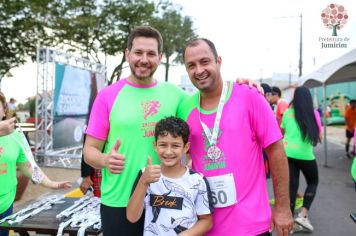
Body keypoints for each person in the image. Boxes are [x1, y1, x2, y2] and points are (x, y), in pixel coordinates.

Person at [178, 38, 293, 236]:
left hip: (250, 226)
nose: (199, 70)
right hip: (203, 226)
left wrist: (283, 207)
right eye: (191, 65)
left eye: (205, 62)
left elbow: (275, 150)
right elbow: (187, 155)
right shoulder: (184, 108)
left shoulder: (249, 96)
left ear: (218, 61)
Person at [83, 26, 188, 236]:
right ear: (127, 54)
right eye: (138, 52)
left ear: (160, 57)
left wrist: (244, 86)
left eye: (151, 54)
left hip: (165, 199)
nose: (144, 59)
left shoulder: (176, 95)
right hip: (118, 201)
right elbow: (89, 151)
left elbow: (210, 105)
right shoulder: (107, 96)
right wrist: (105, 160)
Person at [0, 92, 71, 236]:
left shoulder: (15, 136)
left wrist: (50, 183)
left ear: (4, 109)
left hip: (5, 206)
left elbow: (27, 166)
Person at [127, 116, 213, 235]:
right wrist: (143, 182)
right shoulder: (145, 175)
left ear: (186, 147)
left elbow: (207, 221)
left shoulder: (198, 180)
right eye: (163, 145)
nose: (168, 152)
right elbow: (132, 217)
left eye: (175, 146)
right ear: (155, 145)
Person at [280, 86, 322, 233]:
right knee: (313, 182)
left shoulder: (287, 113)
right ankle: (303, 216)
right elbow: (318, 137)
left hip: (288, 153)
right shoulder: (314, 114)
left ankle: (290, 224)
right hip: (305, 155)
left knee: (292, 186)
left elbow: (283, 132)